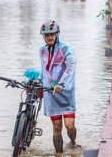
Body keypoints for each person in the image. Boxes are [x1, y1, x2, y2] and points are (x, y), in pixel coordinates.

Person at [38, 20, 79, 154]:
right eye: (46, 35)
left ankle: (73, 143)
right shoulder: (42, 50)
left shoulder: (66, 49)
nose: (49, 37)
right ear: (43, 36)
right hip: (50, 93)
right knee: (56, 127)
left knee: (69, 126)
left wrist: (62, 84)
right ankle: (59, 154)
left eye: (52, 34)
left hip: (65, 92)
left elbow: (71, 66)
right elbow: (44, 69)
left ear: (57, 34)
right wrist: (39, 81)